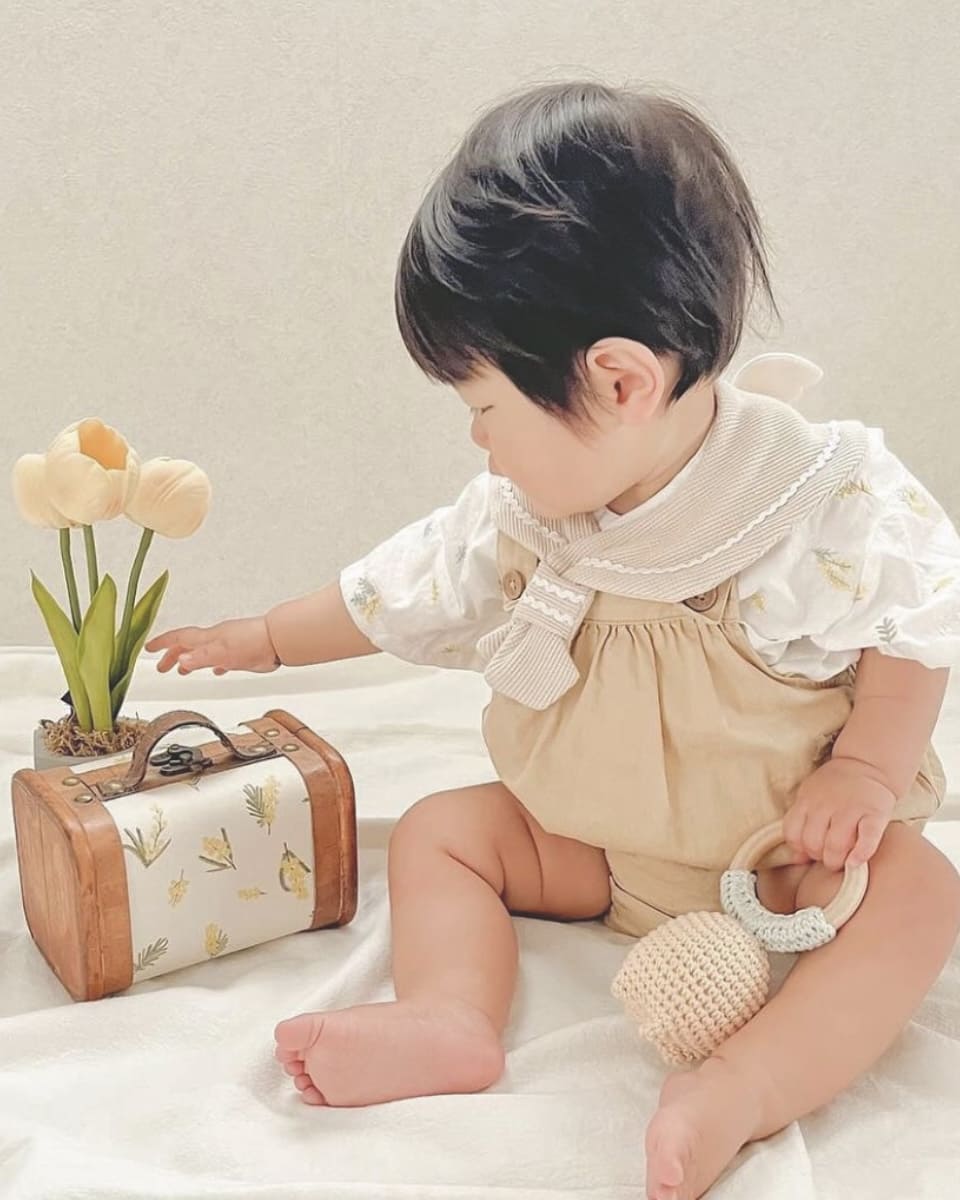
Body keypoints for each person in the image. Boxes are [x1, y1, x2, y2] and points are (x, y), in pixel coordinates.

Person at [146, 81, 960, 1200]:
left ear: (618, 380)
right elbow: (401, 586)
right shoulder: (529, 519)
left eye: (484, 408)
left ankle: (744, 1087)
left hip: (788, 862)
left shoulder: (812, 502)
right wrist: (267, 638)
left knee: (921, 894)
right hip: (598, 849)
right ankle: (449, 1015)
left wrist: (865, 770)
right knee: (443, 831)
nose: (479, 444)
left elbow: (917, 617)